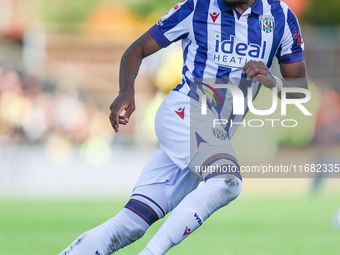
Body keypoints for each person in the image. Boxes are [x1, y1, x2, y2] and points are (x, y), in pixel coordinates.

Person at [59, 0, 308, 254]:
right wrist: (127, 90)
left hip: (214, 133)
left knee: (130, 225)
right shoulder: (197, 7)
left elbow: (299, 90)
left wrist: (272, 80)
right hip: (185, 111)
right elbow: (137, 49)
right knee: (226, 180)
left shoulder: (282, 17)